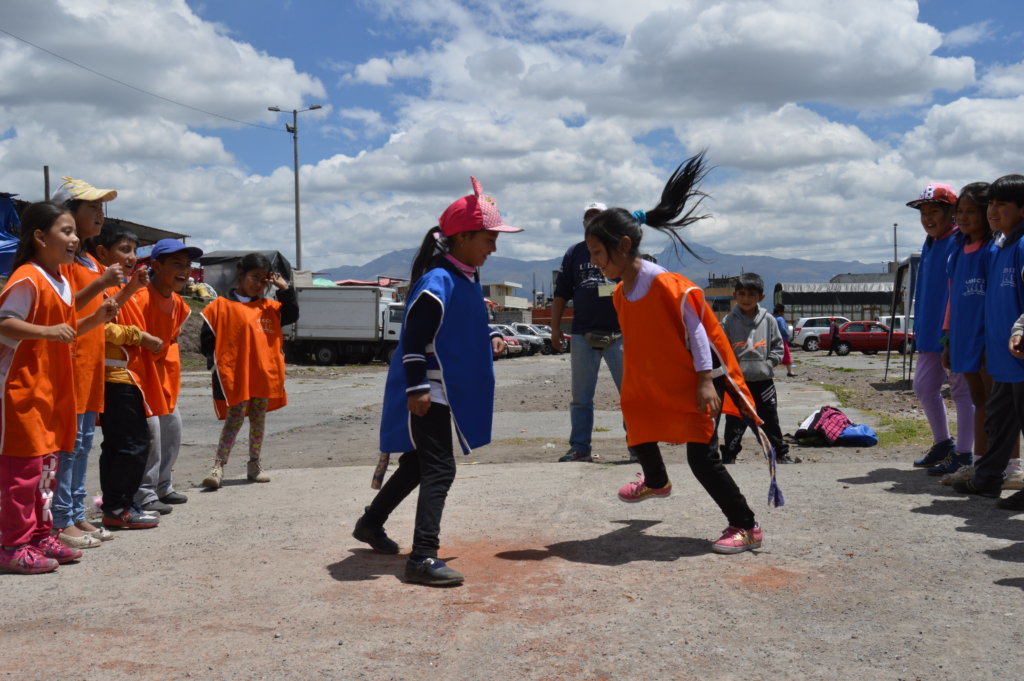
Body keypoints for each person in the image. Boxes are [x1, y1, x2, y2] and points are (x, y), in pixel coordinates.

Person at [585, 152, 781, 555]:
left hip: (701, 382)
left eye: (598, 253)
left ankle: (746, 526)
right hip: (663, 383)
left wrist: (707, 382)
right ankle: (656, 481)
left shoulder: (668, 285)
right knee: (634, 413)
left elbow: (698, 336)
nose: (593, 262)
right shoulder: (622, 292)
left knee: (701, 458)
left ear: (623, 245)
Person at [352, 177, 519, 586]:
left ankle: (370, 524)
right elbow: (413, 336)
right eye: (489, 238)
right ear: (462, 238)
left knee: (417, 466)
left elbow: (459, 326)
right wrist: (417, 388)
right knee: (440, 470)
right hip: (430, 389)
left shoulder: (463, 277)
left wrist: (492, 336)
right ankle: (422, 558)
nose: (494, 248)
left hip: (442, 388)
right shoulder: (438, 281)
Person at [0, 202, 87, 573]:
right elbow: (4, 323)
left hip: (51, 389)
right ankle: (11, 545)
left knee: (46, 469)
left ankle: (38, 535)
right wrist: (46, 332)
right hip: (22, 387)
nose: (74, 238)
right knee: (22, 470)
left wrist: (98, 315)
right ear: (39, 236)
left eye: (73, 232)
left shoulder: (61, 281)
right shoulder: (27, 276)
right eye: (65, 231)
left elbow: (65, 327)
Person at [50, 177, 124, 549]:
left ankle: (75, 513)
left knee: (83, 442)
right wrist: (100, 286)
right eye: (92, 207)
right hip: (71, 361)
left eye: (101, 208)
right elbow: (63, 307)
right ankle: (61, 518)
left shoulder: (90, 260)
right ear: (68, 213)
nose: (100, 214)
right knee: (69, 444)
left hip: (91, 362)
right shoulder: (58, 261)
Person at [199, 253, 298, 489]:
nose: (259, 284)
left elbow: (293, 314)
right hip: (237, 376)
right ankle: (218, 467)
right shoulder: (220, 306)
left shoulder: (270, 307)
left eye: (264, 279)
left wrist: (284, 288)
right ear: (241, 275)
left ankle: (254, 465)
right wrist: (218, 366)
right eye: (255, 277)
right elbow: (207, 341)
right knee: (234, 420)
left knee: (258, 420)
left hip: (262, 375)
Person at [87, 223, 162, 530]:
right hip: (112, 375)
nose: (132, 257)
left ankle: (117, 503)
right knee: (131, 443)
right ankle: (118, 505)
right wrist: (138, 336)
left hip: (125, 374)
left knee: (124, 443)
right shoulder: (95, 282)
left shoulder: (114, 285)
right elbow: (98, 326)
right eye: (124, 249)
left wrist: (132, 288)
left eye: (134, 250)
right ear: (102, 252)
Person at [956, 174, 1024, 508]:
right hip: (1001, 358)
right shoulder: (997, 248)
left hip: (1021, 356)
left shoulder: (1023, 247)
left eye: (1002, 205)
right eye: (992, 204)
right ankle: (987, 479)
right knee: (998, 420)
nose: (993, 211)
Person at [550, 202, 633, 462]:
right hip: (583, 335)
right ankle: (580, 448)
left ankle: (638, 447)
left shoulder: (621, 251)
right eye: (588, 217)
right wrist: (554, 330)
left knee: (631, 396)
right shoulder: (574, 253)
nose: (592, 221)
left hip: (619, 334)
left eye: (598, 217)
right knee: (581, 397)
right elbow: (561, 294)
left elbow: (637, 289)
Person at [937, 183, 1006, 482]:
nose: (963, 218)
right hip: (964, 338)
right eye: (959, 212)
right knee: (980, 402)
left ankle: (1008, 466)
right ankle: (980, 464)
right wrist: (948, 339)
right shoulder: (957, 253)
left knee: (997, 405)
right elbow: (953, 300)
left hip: (989, 337)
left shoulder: (994, 251)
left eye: (970, 212)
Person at [905, 183, 974, 470]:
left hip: (953, 334)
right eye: (924, 213)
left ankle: (964, 452)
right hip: (929, 334)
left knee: (961, 392)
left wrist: (953, 332)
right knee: (923, 387)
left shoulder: (961, 241)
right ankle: (943, 442)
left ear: (952, 214)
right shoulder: (930, 243)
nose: (928, 219)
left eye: (934, 212)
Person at [132, 239, 203, 515]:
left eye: (187, 265)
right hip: (142, 377)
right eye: (177, 264)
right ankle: (144, 491)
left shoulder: (179, 305)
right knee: (151, 434)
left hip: (165, 378)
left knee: (172, 428)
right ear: (156, 266)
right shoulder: (140, 297)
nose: (185, 270)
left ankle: (163, 484)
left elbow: (172, 338)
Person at [720, 274, 794, 465]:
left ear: (761, 297)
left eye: (751, 295)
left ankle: (778, 454)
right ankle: (729, 454)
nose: (746, 299)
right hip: (738, 384)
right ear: (735, 295)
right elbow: (721, 349)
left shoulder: (769, 320)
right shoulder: (728, 321)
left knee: (770, 419)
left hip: (764, 382)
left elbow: (778, 345)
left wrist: (770, 362)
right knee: (735, 422)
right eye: (742, 294)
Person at [773, 303, 796, 377]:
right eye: (783, 312)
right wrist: (787, 335)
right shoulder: (780, 319)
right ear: (780, 312)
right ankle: (790, 372)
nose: (783, 314)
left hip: (773, 339)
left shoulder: (772, 318)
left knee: (773, 355)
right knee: (787, 356)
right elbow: (783, 329)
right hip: (782, 339)